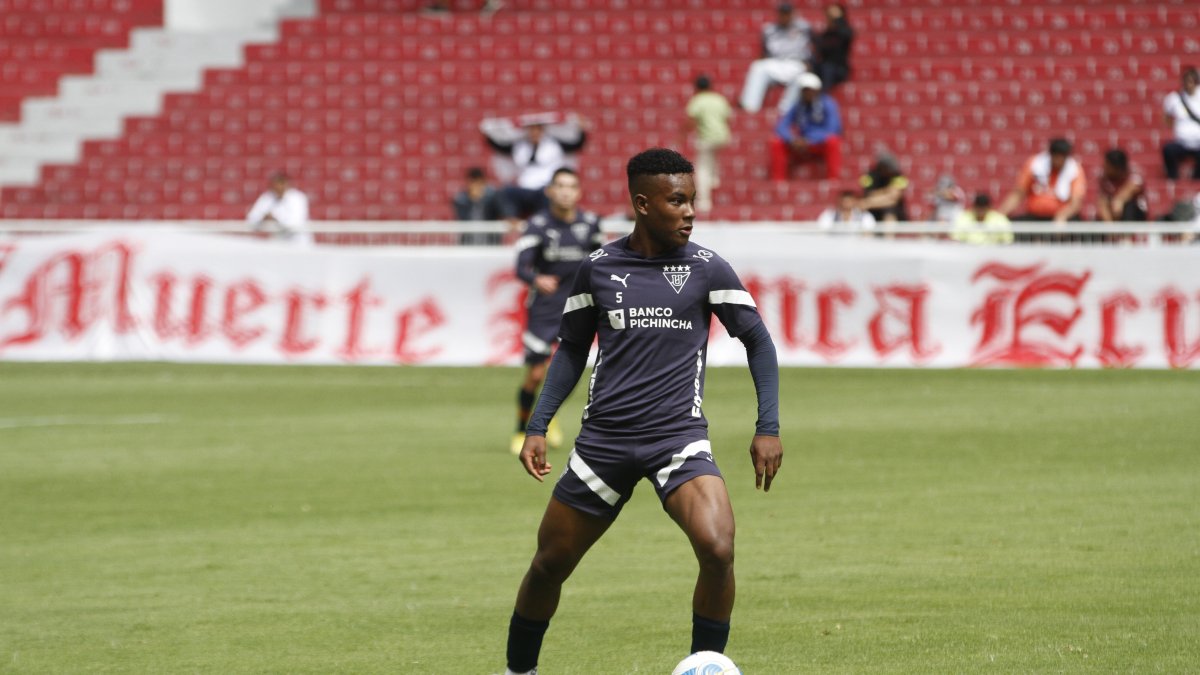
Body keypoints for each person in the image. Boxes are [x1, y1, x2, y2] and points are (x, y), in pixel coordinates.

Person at [502, 148, 782, 675]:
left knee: (718, 548)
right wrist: (537, 424)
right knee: (549, 564)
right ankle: (519, 672)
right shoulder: (598, 268)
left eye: (692, 200)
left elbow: (759, 342)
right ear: (642, 204)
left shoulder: (707, 267)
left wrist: (767, 426)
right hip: (602, 445)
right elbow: (571, 349)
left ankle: (705, 665)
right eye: (677, 201)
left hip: (677, 439)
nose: (690, 212)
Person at [511, 167, 604, 455]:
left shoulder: (590, 224)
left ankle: (548, 418)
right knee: (536, 374)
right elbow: (520, 267)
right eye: (560, 186)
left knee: (567, 372)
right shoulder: (537, 225)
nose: (565, 191)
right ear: (550, 191)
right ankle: (521, 428)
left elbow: (601, 262)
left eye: (571, 186)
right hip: (544, 309)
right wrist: (536, 279)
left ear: (579, 192)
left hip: (577, 308)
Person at [483, 114, 588, 221]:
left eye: (537, 129)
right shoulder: (519, 146)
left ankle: (544, 221)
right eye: (532, 130)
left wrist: (581, 131)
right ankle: (512, 221)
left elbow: (576, 145)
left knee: (550, 196)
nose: (534, 133)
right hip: (523, 188)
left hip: (544, 189)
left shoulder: (555, 144)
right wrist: (488, 132)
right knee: (504, 193)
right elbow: (500, 147)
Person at [738, 2, 813, 114]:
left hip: (796, 63)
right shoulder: (769, 30)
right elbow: (764, 52)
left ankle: (786, 110)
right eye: (783, 13)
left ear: (792, 14)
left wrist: (809, 63)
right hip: (776, 63)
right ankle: (749, 107)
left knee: (802, 74)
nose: (785, 16)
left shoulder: (804, 28)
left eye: (787, 13)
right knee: (758, 67)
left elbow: (813, 48)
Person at [769, 72, 843, 180]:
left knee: (833, 141)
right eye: (805, 90)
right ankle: (778, 181)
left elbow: (833, 128)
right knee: (777, 142)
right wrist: (792, 139)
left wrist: (810, 140)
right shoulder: (797, 105)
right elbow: (781, 126)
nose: (807, 93)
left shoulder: (827, 103)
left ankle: (833, 180)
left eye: (810, 90)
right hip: (800, 143)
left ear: (817, 90)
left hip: (818, 143)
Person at [999, 137, 1086, 225]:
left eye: (1062, 158)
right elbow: (1018, 193)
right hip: (1035, 217)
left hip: (1060, 218)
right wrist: (1000, 215)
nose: (1058, 161)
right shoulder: (1035, 165)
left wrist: (1062, 216)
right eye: (1056, 157)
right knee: (1013, 225)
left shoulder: (1074, 170)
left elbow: (1075, 203)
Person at [684, 74, 733, 215]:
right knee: (712, 157)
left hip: (706, 138)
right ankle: (714, 180)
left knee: (702, 168)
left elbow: (691, 120)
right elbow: (728, 118)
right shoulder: (719, 99)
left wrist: (683, 135)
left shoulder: (697, 100)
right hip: (722, 136)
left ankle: (704, 201)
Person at [246, 172, 312, 246]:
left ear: (287, 185)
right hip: (277, 243)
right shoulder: (266, 197)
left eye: (281, 184)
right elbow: (252, 219)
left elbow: (295, 222)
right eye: (275, 185)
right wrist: (263, 218)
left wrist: (275, 218)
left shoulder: (298, 198)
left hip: (298, 242)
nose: (278, 188)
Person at [1161, 66, 1200, 180]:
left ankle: (1196, 179)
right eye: (1187, 81)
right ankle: (1173, 178)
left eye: (1191, 81)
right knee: (1168, 150)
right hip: (1181, 143)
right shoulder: (1174, 98)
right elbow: (1166, 117)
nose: (1189, 84)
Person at [453, 166, 504, 244]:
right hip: (468, 243)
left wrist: (483, 198)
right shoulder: (461, 200)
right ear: (469, 183)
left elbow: (499, 209)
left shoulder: (492, 198)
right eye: (474, 183)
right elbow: (462, 216)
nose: (477, 187)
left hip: (489, 243)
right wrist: (472, 199)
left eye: (480, 184)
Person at [1097, 148, 1148, 222]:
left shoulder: (1133, 174)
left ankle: (1127, 229)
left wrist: (1120, 200)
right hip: (1113, 215)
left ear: (1117, 167)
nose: (1104, 167)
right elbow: (1103, 201)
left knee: (1129, 207)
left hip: (1136, 216)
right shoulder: (1105, 179)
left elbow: (1133, 187)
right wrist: (1109, 224)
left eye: (1107, 165)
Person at [858, 150, 909, 222]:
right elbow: (868, 195)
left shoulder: (898, 176)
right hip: (873, 212)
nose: (891, 172)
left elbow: (893, 198)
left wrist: (869, 203)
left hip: (896, 214)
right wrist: (887, 191)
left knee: (889, 210)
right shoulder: (869, 176)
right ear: (882, 167)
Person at [813, 3, 853, 89]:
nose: (831, 19)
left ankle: (824, 94)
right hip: (824, 67)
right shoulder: (825, 35)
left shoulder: (845, 32)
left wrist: (838, 20)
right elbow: (820, 50)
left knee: (828, 68)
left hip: (839, 69)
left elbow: (847, 36)